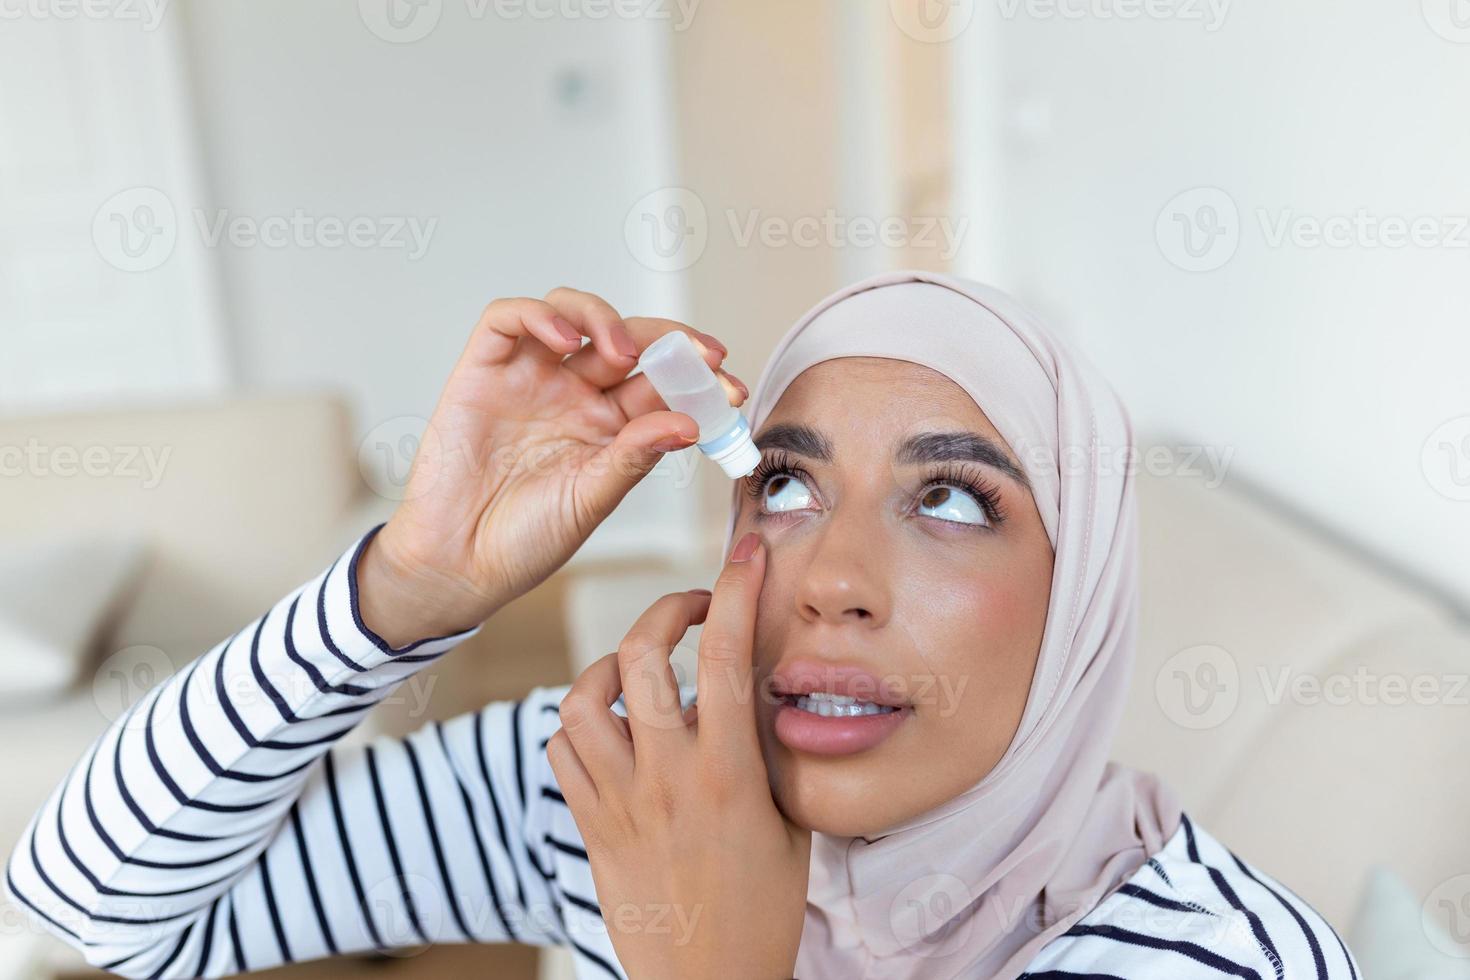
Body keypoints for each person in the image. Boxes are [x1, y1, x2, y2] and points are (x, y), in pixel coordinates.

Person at [5, 272, 1361, 978]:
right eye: (784, 481)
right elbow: (93, 907)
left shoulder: (1216, 958)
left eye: (950, 497)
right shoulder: (617, 790)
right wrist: (402, 594)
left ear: (1079, 603)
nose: (831, 575)